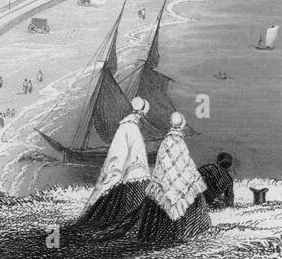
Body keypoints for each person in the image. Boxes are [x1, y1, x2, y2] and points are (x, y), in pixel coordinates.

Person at [116, 112, 211, 244]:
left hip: (165, 183)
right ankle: (183, 232)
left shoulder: (165, 142)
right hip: (180, 183)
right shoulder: (181, 143)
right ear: (182, 126)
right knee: (188, 191)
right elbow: (185, 164)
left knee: (159, 205)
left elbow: (161, 165)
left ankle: (159, 234)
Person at [76, 97, 152, 231]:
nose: (144, 119)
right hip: (132, 184)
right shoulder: (128, 128)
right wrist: (111, 181)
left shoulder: (130, 128)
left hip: (135, 184)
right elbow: (117, 160)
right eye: (144, 115)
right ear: (140, 114)